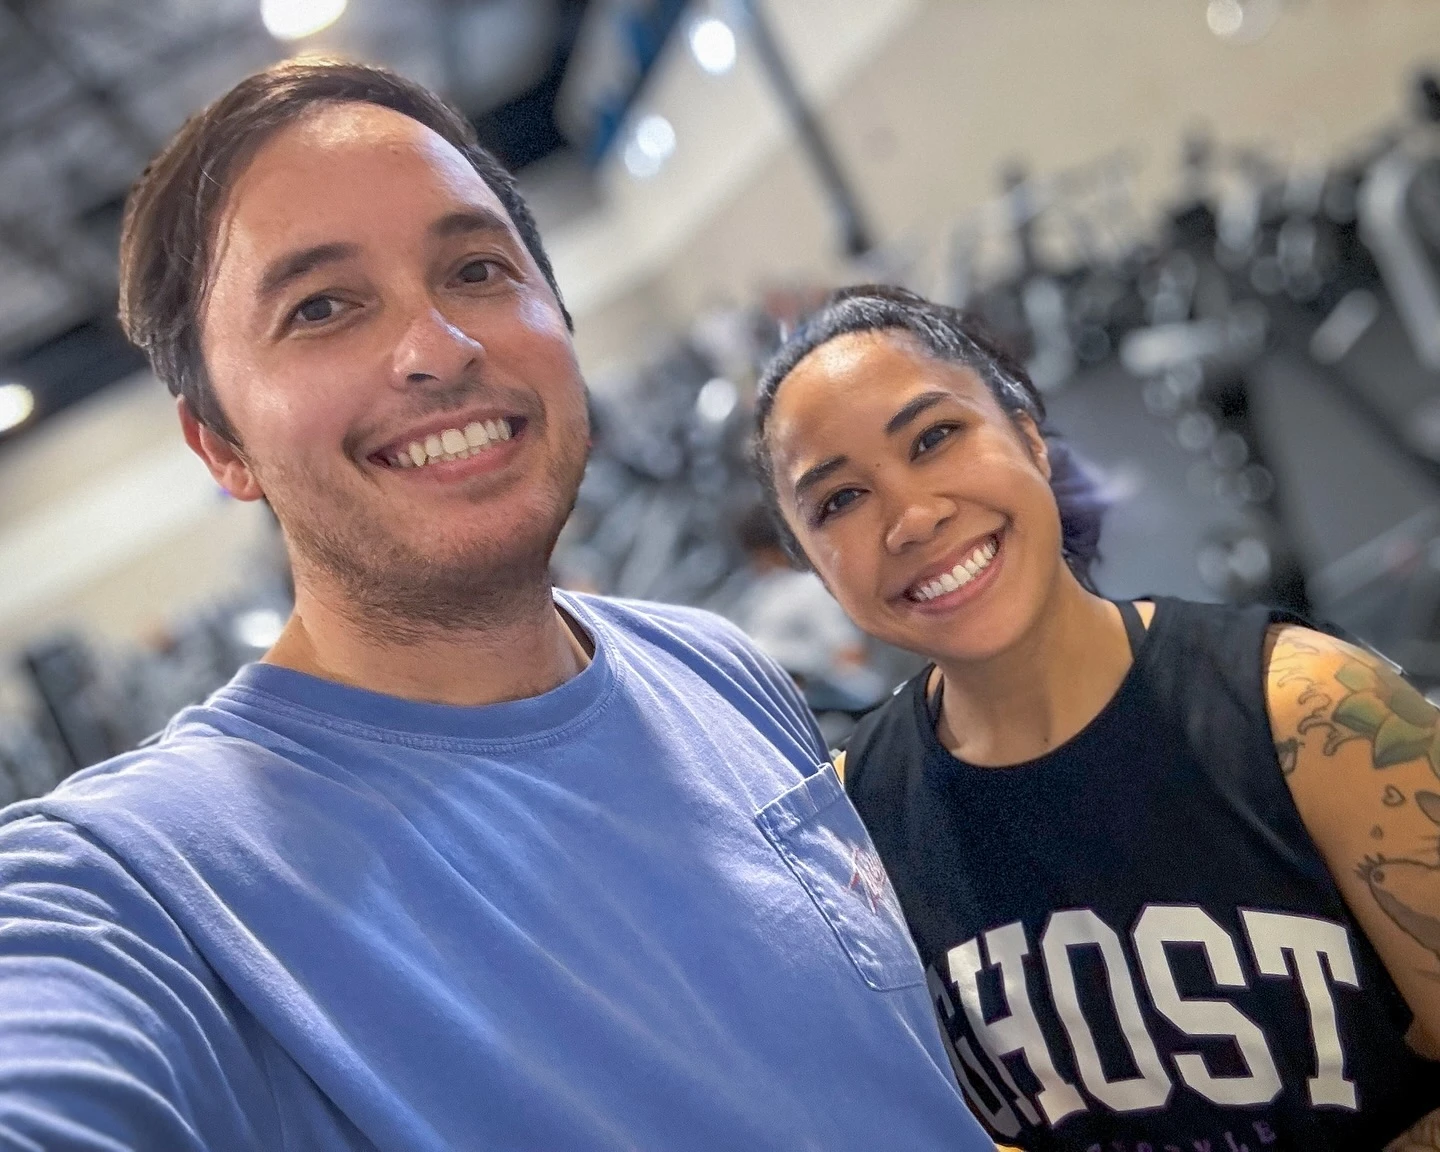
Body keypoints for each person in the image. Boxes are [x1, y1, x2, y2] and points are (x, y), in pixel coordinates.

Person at [0, 66, 995, 1151]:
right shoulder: (130, 890)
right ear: (222, 446)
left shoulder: (718, 667)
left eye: (476, 269)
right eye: (321, 307)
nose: (438, 347)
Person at [751, 284, 1440, 1151]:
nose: (912, 517)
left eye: (934, 438)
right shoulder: (859, 829)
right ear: (812, 566)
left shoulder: (1314, 717)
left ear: (1030, 438)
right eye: (838, 502)